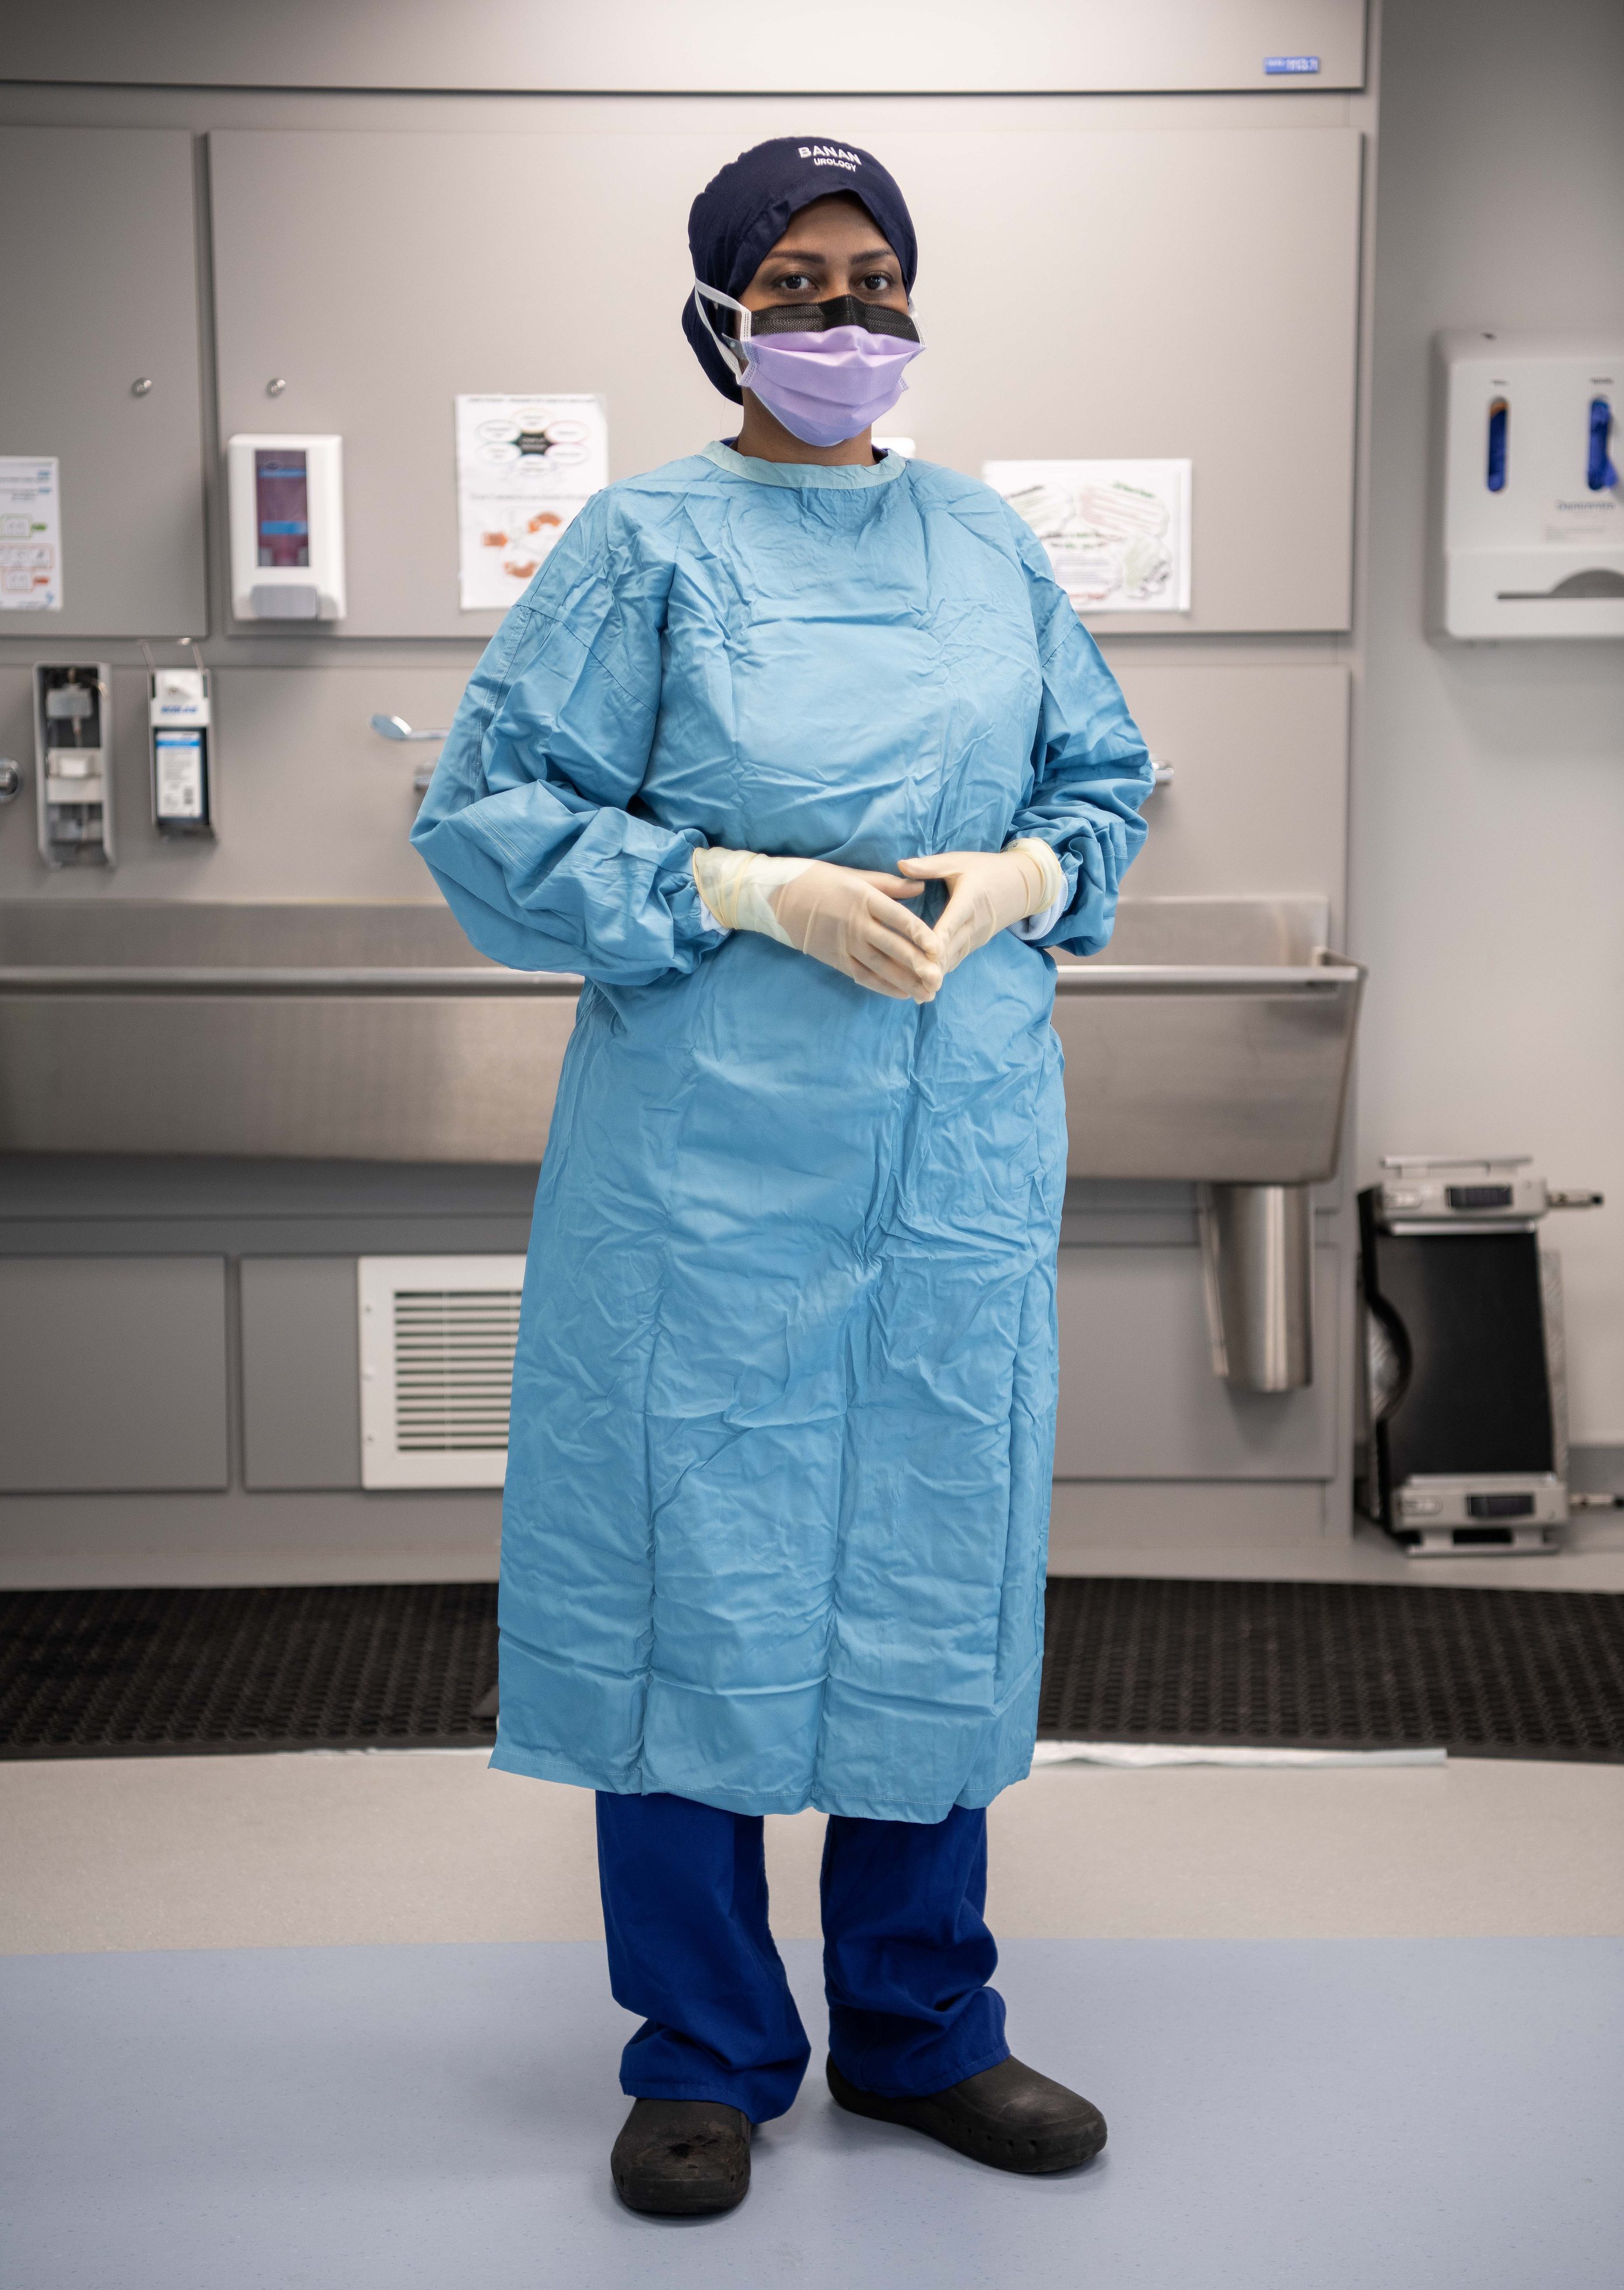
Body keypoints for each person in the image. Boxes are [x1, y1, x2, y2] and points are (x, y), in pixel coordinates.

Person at [413, 136, 1153, 2218]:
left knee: (930, 1559)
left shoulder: (986, 544)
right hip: (705, 1168)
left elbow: (1100, 777)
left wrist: (1029, 873)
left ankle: (926, 2030)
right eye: (802, 281)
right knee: (683, 1577)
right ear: (725, 309)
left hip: (949, 1151)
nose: (847, 320)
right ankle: (707, 2049)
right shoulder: (646, 544)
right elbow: (488, 814)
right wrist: (735, 883)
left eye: (879, 279)